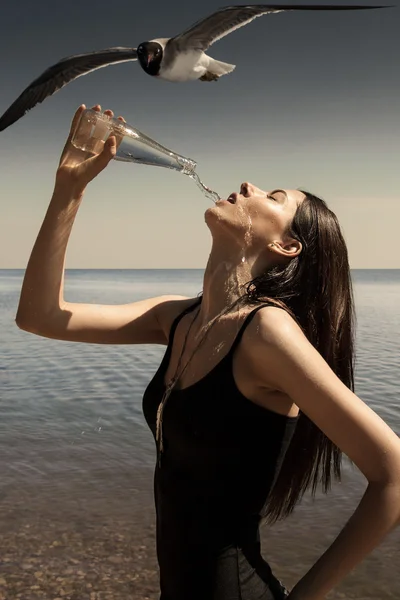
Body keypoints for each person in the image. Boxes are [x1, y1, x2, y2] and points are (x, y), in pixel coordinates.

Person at [16, 104, 400, 600]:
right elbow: (40, 316)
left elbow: (393, 473)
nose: (248, 186)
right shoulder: (179, 318)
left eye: (273, 197)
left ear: (287, 246)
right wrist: (69, 189)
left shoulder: (267, 334)